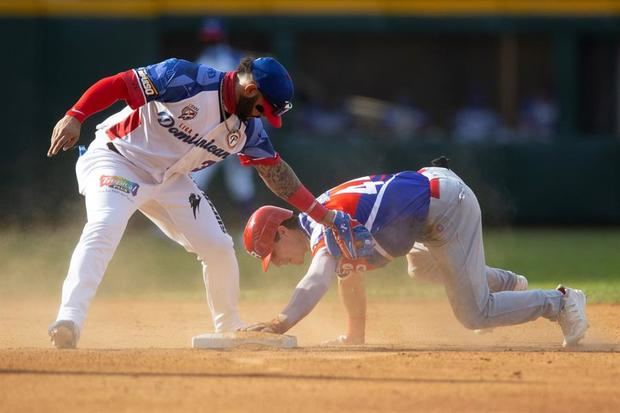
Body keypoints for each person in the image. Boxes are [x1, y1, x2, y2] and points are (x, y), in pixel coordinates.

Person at [46, 55, 351, 349]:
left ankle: (229, 326)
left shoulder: (248, 130)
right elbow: (119, 84)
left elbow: (276, 173)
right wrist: (76, 115)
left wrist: (325, 217)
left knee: (217, 246)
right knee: (105, 226)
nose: (261, 117)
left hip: (171, 179)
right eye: (262, 108)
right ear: (249, 90)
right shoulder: (185, 79)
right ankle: (69, 319)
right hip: (118, 159)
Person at [241, 159, 589, 347]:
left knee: (474, 315)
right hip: (432, 200)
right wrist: (355, 336)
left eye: (275, 253)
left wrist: (280, 322)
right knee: (420, 268)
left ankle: (560, 302)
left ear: (282, 231)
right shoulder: (323, 219)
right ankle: (507, 283)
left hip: (445, 207)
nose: (281, 262)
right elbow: (350, 276)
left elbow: (316, 280)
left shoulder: (322, 228)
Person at [191, 18, 257, 218]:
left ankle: (252, 227)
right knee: (194, 180)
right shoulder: (199, 62)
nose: (212, 41)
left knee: (240, 183)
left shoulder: (237, 60)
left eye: (215, 37)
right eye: (210, 38)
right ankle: (179, 226)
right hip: (209, 131)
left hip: (236, 128)